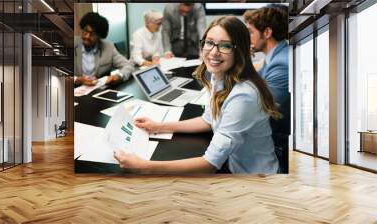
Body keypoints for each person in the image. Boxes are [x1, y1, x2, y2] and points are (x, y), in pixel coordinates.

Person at [114, 16, 281, 174]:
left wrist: (144, 166)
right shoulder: (220, 77)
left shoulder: (243, 97)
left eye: (225, 46)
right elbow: (208, 120)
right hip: (234, 164)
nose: (213, 52)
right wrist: (159, 126)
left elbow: (209, 165)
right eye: (209, 43)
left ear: (240, 51)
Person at [244, 5, 290, 173]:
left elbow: (260, 107)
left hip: (276, 142)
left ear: (267, 32)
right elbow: (256, 74)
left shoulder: (282, 63)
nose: (248, 37)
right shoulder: (277, 54)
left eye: (251, 32)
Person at [74, 12, 134, 86]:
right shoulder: (72, 44)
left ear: (100, 36)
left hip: (100, 91)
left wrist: (119, 76)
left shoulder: (109, 47)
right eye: (85, 31)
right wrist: (77, 79)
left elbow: (129, 66)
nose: (87, 36)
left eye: (92, 33)